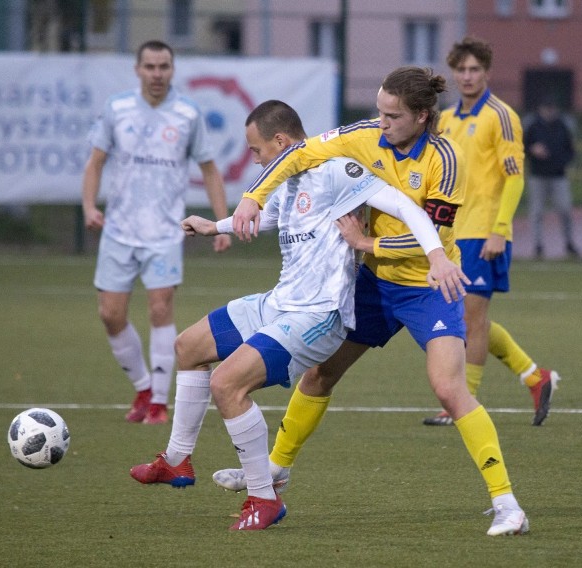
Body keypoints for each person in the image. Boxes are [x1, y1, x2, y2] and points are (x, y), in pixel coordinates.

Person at [129, 99, 467, 531]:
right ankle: (177, 460)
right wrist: (216, 226)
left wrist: (437, 254)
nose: (255, 160)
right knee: (188, 346)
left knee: (226, 384)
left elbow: (410, 210)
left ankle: (263, 498)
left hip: (319, 316)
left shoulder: (338, 172)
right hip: (280, 303)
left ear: (281, 141)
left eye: (256, 150)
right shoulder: (288, 182)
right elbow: (265, 218)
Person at [226, 67, 530, 536]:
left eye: (392, 115)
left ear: (422, 116)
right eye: (380, 111)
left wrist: (367, 245)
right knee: (320, 372)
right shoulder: (364, 134)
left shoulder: (445, 161)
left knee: (449, 389)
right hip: (370, 286)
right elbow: (298, 154)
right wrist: (253, 196)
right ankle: (276, 469)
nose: (381, 122)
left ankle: (507, 503)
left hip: (428, 288)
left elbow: (433, 241)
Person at [81, 40, 231, 425]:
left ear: (172, 70)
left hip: (166, 232)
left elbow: (210, 169)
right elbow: (95, 162)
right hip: (119, 231)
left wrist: (220, 223)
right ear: (137, 70)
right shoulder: (117, 108)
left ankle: (159, 404)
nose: (157, 74)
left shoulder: (187, 113)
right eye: (150, 66)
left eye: (164, 66)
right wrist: (89, 206)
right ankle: (144, 387)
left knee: (161, 308)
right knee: (110, 315)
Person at [424, 36, 561, 428]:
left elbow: (515, 179)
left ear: (486, 72)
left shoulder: (502, 116)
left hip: (485, 233)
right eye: (461, 69)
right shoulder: (446, 119)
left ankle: (460, 403)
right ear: (453, 72)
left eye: (474, 70)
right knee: (469, 319)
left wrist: (500, 230)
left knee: (470, 319)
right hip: (450, 236)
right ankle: (536, 377)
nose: (467, 76)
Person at [524, 98, 579, 259]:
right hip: (538, 175)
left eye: (551, 108)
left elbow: (570, 150)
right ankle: (538, 245)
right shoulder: (533, 126)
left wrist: (560, 162)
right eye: (546, 108)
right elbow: (523, 147)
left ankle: (569, 243)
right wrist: (533, 151)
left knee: (565, 209)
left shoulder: (562, 126)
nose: (549, 112)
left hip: (558, 176)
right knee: (536, 212)